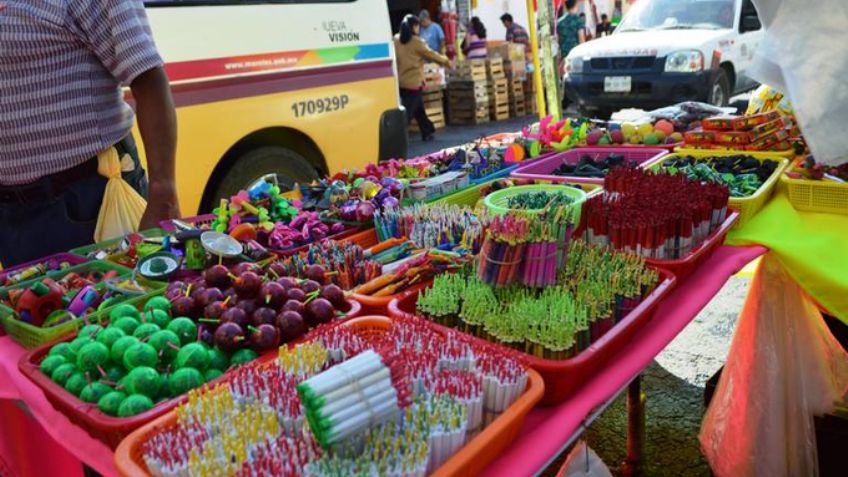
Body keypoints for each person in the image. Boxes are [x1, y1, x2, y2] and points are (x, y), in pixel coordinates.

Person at [0, 0, 180, 268]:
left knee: (116, 295)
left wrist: (163, 195)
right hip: (12, 214)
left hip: (88, 201)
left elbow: (148, 78)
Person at [394, 14, 450, 142]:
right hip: (414, 83)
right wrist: (446, 61)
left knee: (418, 109)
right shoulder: (416, 42)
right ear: (414, 26)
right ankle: (396, 138)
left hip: (401, 82)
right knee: (407, 114)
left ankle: (427, 130)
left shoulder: (396, 40)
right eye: (417, 26)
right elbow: (431, 54)